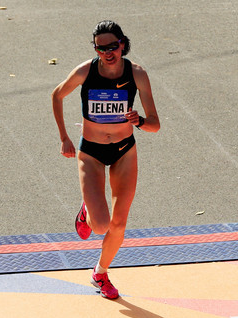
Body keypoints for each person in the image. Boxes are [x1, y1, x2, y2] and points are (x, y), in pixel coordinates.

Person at [51, 20, 161, 299]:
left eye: (112, 47)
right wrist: (64, 137)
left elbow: (155, 125)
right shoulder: (85, 71)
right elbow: (57, 95)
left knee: (119, 224)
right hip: (91, 153)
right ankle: (88, 210)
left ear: (122, 44)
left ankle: (100, 273)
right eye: (100, 49)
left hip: (124, 151)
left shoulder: (137, 74)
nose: (107, 53)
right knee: (100, 225)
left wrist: (140, 121)